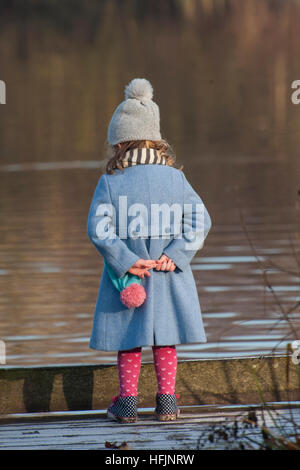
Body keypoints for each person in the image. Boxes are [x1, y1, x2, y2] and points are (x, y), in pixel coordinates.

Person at [86, 78, 212, 423]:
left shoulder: (111, 182)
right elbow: (201, 222)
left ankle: (127, 404)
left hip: (130, 276)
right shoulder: (175, 179)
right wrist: (176, 255)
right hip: (167, 271)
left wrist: (127, 260)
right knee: (165, 338)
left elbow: (98, 230)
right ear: (156, 139)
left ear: (120, 142)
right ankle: (167, 402)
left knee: (129, 340)